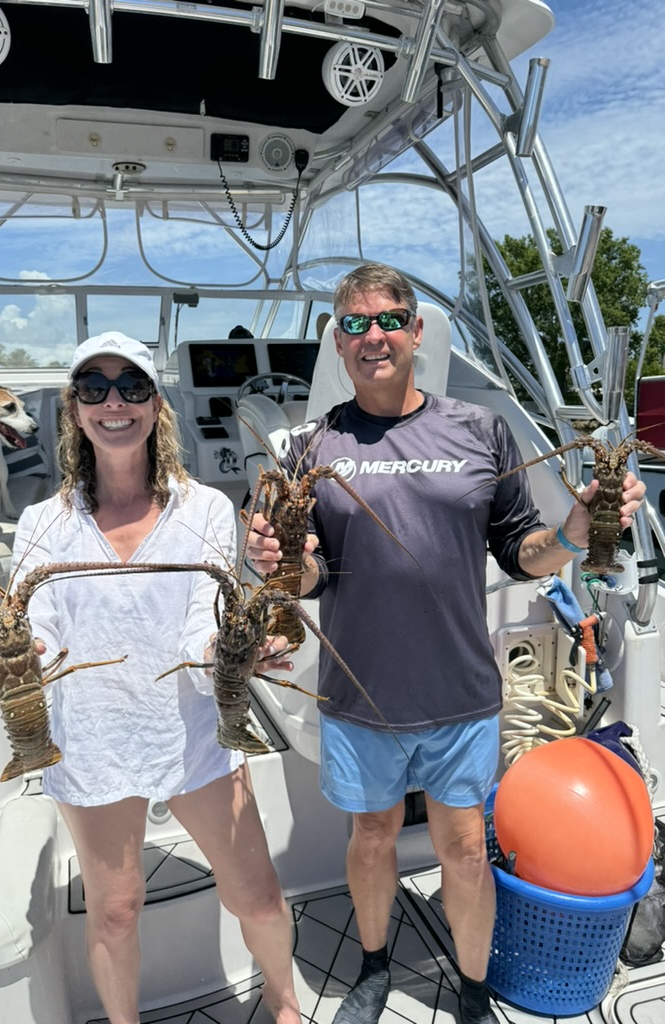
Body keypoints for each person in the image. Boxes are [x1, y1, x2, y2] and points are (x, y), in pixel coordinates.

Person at [245, 264, 646, 1024]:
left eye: (390, 319)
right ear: (338, 340)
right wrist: (276, 560)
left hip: (461, 692)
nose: (375, 336)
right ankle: (371, 967)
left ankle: (468, 980)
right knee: (372, 839)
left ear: (416, 331)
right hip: (359, 692)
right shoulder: (311, 445)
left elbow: (520, 551)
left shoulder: (479, 429)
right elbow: (307, 579)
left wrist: (580, 529)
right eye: (357, 324)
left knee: (464, 847)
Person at [0, 331, 302, 1024]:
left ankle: (284, 1002)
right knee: (115, 910)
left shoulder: (203, 507)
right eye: (93, 388)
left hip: (195, 731)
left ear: (156, 406)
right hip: (92, 733)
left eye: (132, 387)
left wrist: (233, 655)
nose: (114, 402)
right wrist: (5, 660)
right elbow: (41, 628)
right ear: (74, 410)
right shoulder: (40, 523)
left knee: (259, 895)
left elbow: (202, 624)